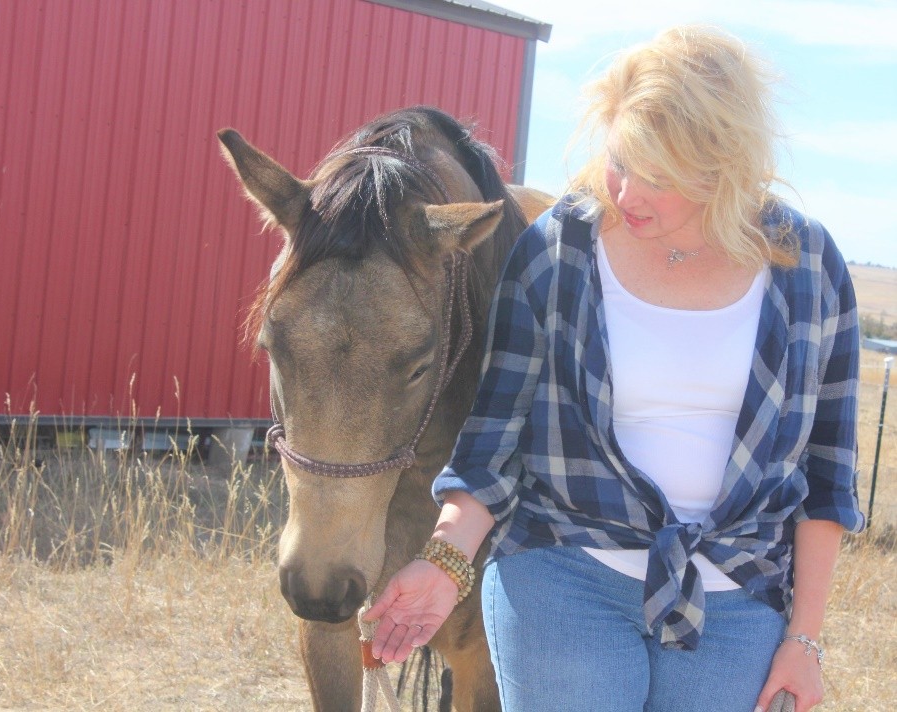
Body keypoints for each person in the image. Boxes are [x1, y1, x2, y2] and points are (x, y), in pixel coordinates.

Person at [365, 25, 864, 712]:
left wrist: (804, 640)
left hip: (737, 601)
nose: (627, 192)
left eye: (660, 177)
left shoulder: (808, 267)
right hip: (565, 575)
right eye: (621, 161)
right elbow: (490, 446)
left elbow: (827, 478)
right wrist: (446, 563)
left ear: (724, 167)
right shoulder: (555, 253)